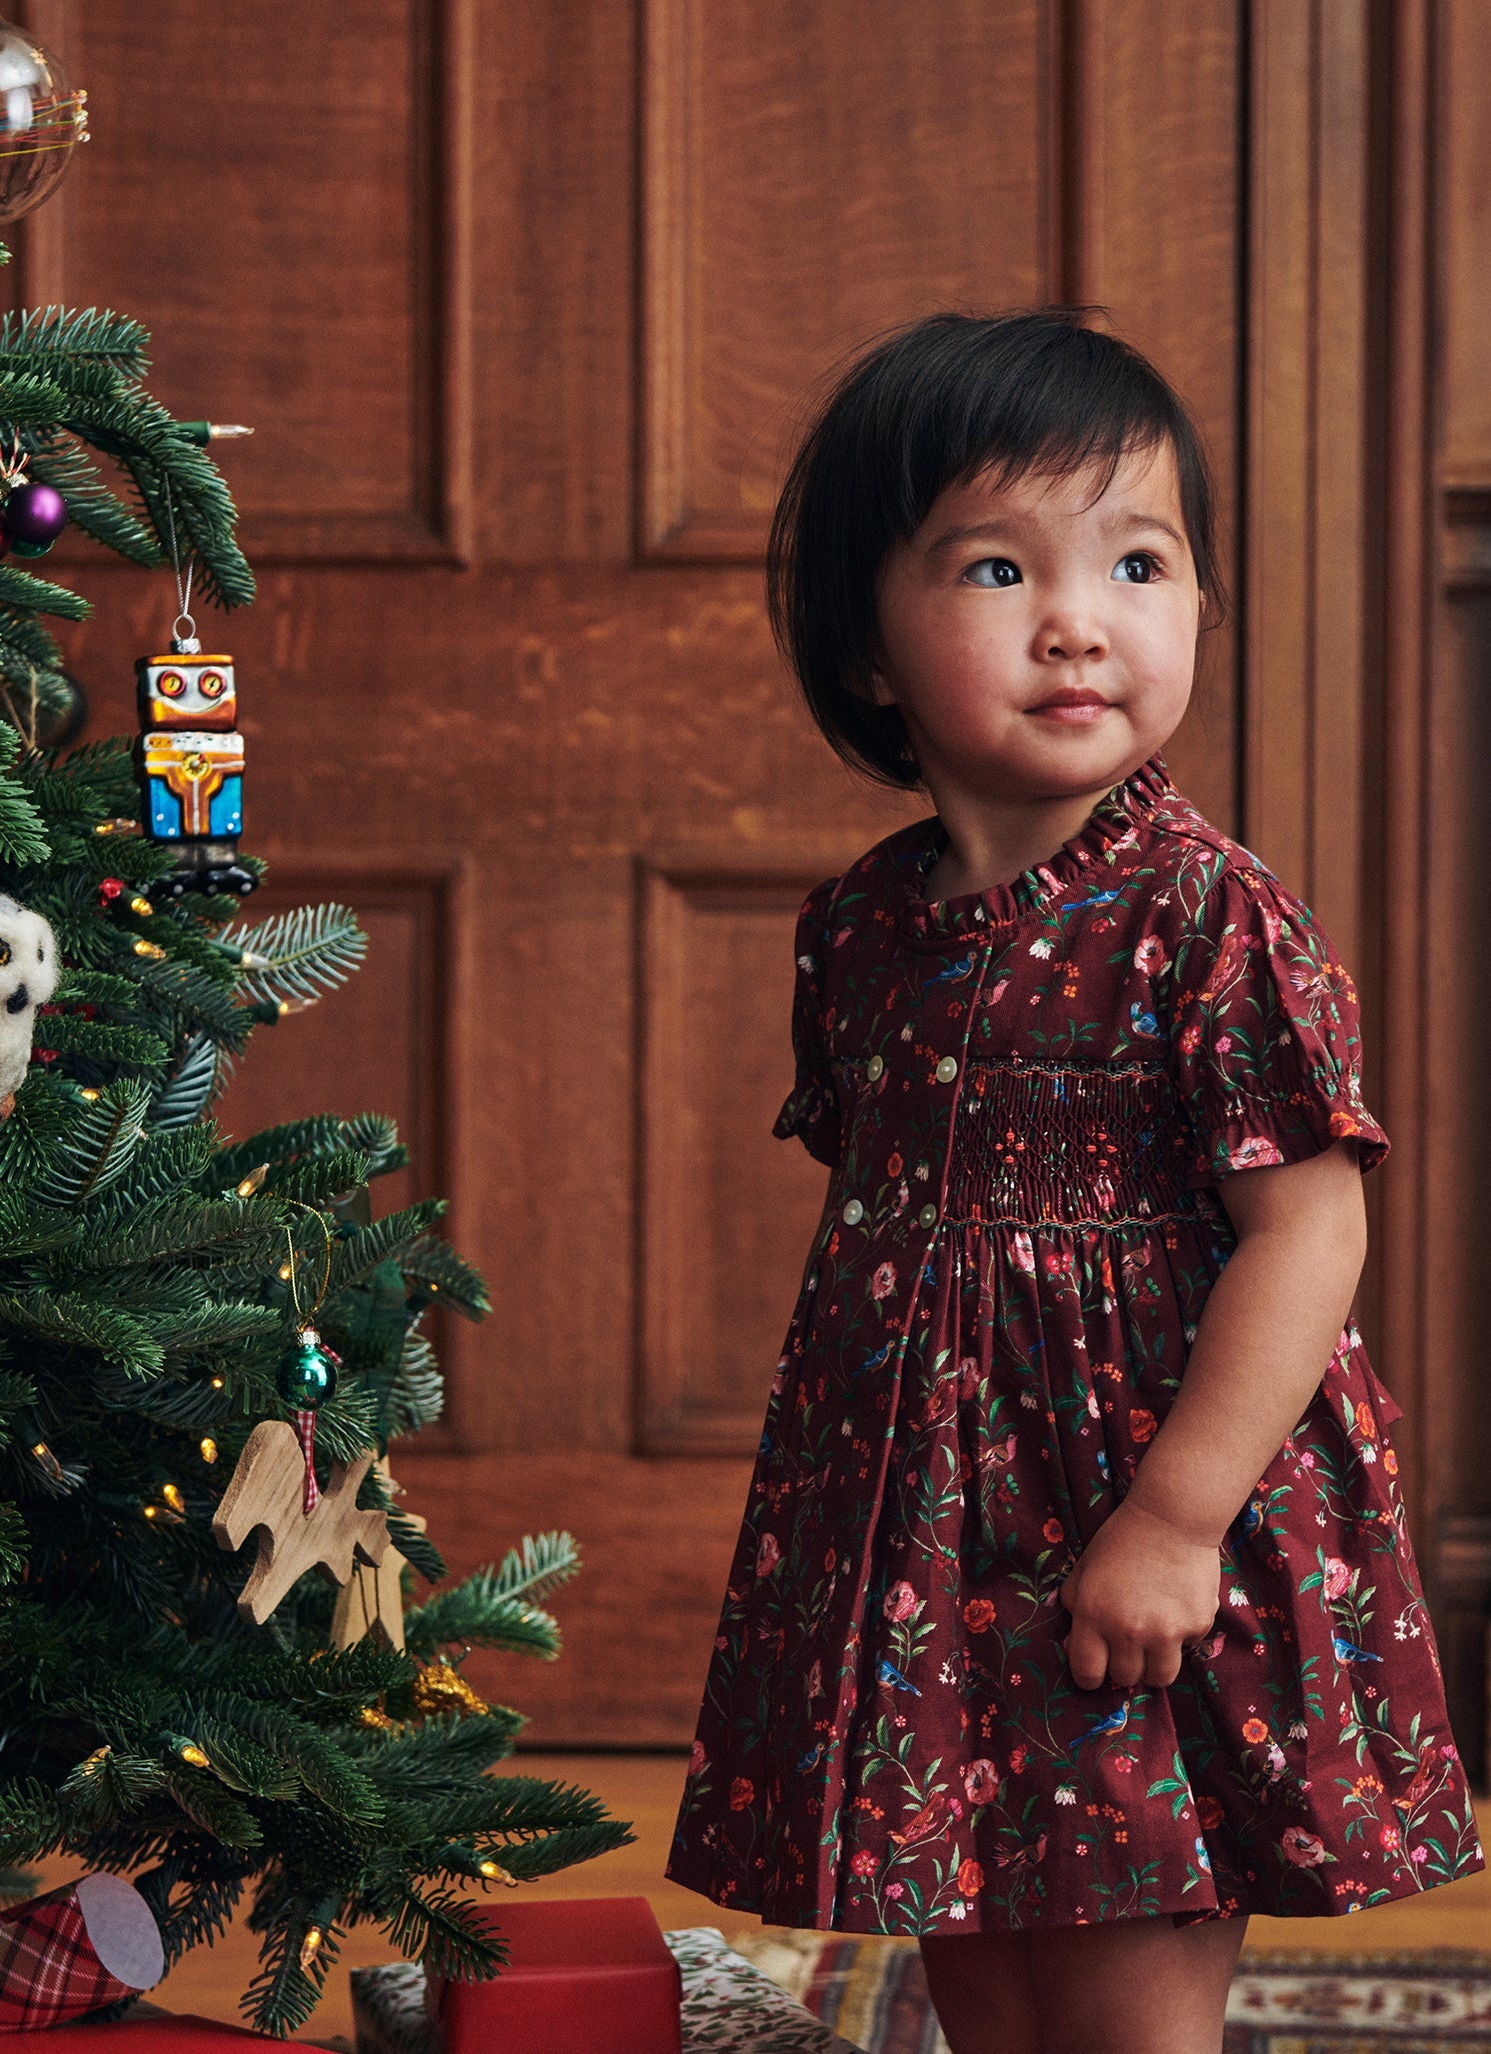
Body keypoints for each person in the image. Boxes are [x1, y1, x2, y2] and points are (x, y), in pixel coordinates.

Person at [663, 310, 1486, 2054]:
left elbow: (1311, 1223)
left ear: (1196, 604)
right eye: (992, 564)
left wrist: (1179, 1518)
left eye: (1137, 558)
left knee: (1124, 1981)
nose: (1077, 618)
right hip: (929, 1539)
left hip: (1154, 1520)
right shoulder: (862, 931)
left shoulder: (1211, 917)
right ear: (869, 644)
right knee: (975, 1956)